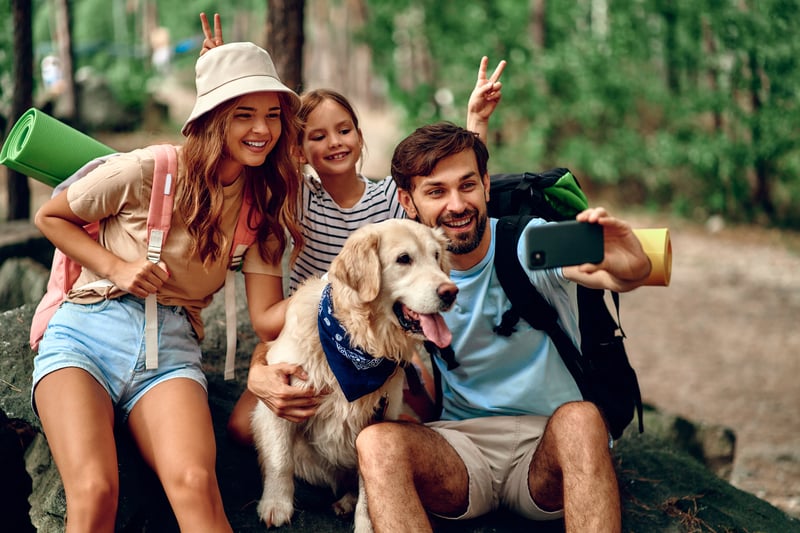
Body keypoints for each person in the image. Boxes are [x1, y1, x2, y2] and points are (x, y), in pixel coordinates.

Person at [197, 13, 510, 444]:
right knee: (242, 428)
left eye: (345, 130)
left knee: (411, 420)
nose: (335, 142)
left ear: (360, 138)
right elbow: (251, 162)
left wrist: (477, 124)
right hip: (314, 329)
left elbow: (452, 197)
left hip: (380, 327)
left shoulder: (388, 200)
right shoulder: (296, 198)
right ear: (299, 150)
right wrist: (224, 88)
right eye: (318, 136)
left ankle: (377, 472)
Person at [31, 41, 302, 532]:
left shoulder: (260, 208)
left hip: (171, 351)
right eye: (244, 114)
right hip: (86, 334)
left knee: (197, 483)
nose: (262, 130)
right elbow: (51, 216)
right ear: (213, 118)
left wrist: (332, 289)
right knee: (94, 491)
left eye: (273, 115)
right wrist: (115, 267)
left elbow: (267, 319)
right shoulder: (149, 168)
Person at [351, 122, 652, 532]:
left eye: (467, 185)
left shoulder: (531, 243)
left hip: (547, 448)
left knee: (583, 419)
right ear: (408, 200)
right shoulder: (399, 271)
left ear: (487, 185)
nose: (457, 204)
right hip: (461, 450)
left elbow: (617, 272)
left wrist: (631, 259)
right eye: (436, 191)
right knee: (375, 444)